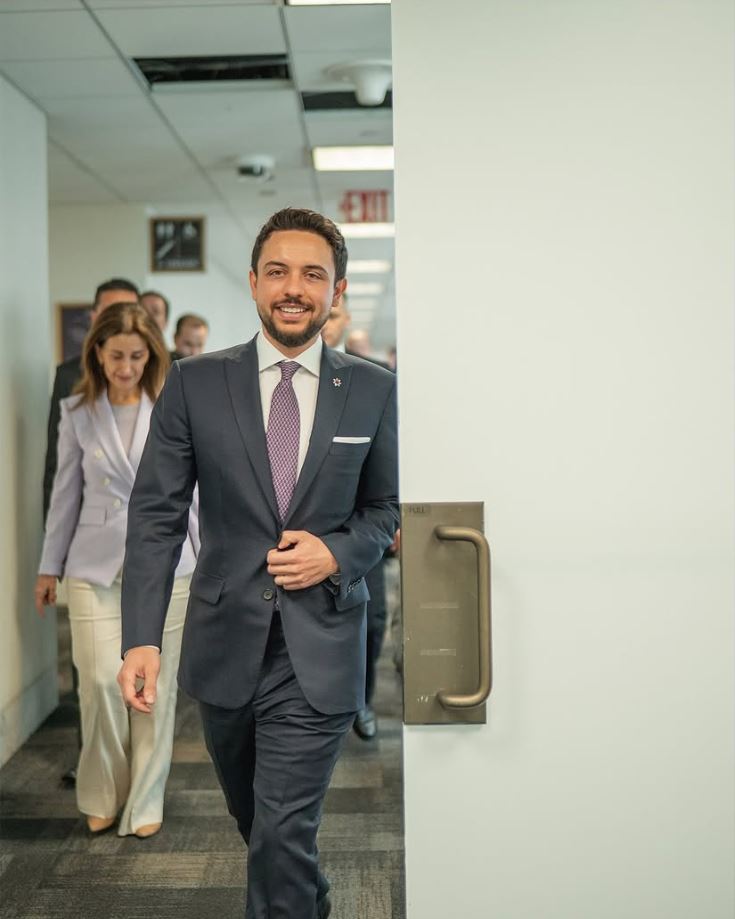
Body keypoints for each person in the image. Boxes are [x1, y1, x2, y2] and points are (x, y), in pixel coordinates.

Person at [118, 207, 398, 919]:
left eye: (312, 274)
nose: (293, 287)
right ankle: (309, 900)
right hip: (225, 643)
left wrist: (336, 551)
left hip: (322, 642)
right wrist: (142, 636)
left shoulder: (373, 388)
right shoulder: (194, 383)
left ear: (336, 290)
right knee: (261, 825)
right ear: (253, 283)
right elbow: (156, 514)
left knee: (280, 830)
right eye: (278, 271)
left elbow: (385, 510)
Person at [35, 302, 199, 838]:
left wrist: (205, 561)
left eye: (136, 356)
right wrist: (48, 566)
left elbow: (193, 494)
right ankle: (104, 790)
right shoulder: (77, 412)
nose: (126, 367)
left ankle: (147, 800)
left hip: (167, 562)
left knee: (156, 689)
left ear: (151, 355)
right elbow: (64, 496)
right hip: (93, 564)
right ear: (97, 355)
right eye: (116, 356)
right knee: (99, 683)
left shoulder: (174, 406)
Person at [44, 278, 140, 520]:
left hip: (146, 517)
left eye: (128, 311)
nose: (120, 320)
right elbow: (57, 462)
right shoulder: (69, 376)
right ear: (94, 316)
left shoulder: (161, 374)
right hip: (91, 519)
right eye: (111, 312)